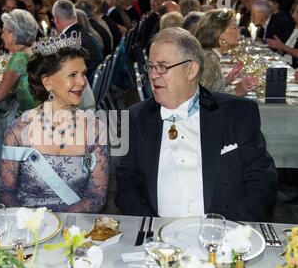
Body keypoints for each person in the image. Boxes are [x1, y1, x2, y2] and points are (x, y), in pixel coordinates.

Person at [115, 27, 277, 222]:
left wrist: (224, 231)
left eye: (163, 67)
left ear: (191, 70)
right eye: (150, 66)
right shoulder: (135, 118)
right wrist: (154, 230)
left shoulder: (237, 113)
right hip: (158, 240)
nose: (154, 75)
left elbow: (261, 181)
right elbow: (126, 186)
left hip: (222, 234)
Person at [0, 34, 109, 213]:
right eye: (72, 75)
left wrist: (59, 225)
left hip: (75, 229)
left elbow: (96, 196)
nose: (82, 82)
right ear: (47, 82)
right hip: (28, 230)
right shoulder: (18, 131)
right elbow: (6, 192)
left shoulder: (95, 129)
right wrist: (33, 224)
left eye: (83, 74)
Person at [0, 9, 38, 117]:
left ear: (13, 35)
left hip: (28, 121)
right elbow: (24, 84)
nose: (2, 36)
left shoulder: (19, 58)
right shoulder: (32, 50)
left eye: (4, 31)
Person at [195, 9, 259, 95]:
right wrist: (237, 91)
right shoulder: (209, 58)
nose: (238, 31)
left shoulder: (210, 54)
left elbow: (211, 89)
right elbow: (202, 99)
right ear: (219, 33)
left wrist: (226, 81)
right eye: (234, 28)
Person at [266, 3, 298, 68]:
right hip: (283, 63)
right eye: (294, 11)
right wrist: (277, 46)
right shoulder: (290, 27)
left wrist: (282, 46)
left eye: (297, 12)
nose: (293, 15)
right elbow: (284, 52)